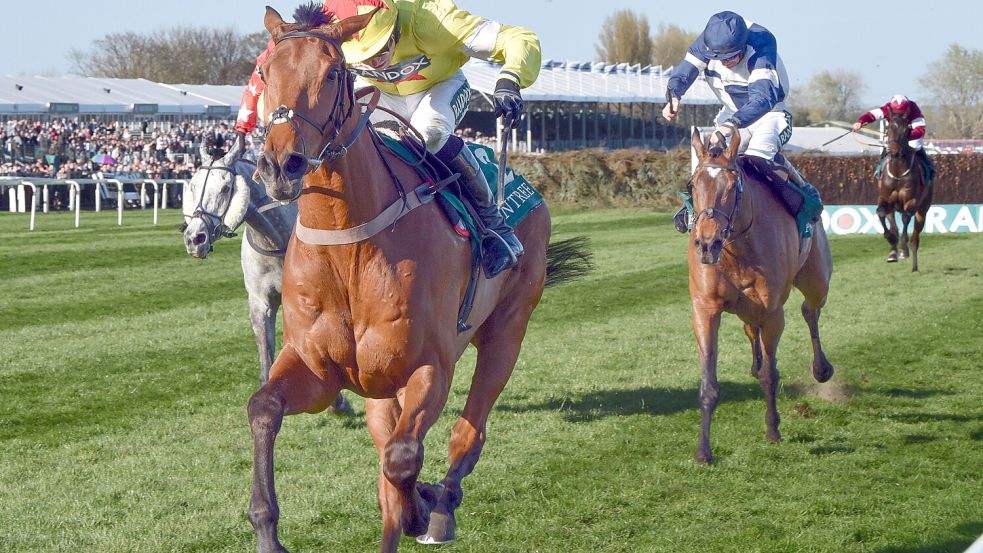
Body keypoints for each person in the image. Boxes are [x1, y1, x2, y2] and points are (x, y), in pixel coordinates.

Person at [235, 0, 541, 278]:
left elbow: (518, 38)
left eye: (382, 48)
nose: (377, 59)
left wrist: (510, 79)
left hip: (439, 87)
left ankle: (493, 227)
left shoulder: (433, 21)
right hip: (380, 93)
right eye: (366, 54)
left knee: (429, 133)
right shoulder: (331, 17)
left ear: (394, 26)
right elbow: (279, 60)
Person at [662, 11, 823, 237]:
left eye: (731, 57)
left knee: (758, 156)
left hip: (770, 114)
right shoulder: (709, 41)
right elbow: (684, 72)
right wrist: (674, 96)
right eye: (719, 58)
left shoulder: (761, 42)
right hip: (732, 113)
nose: (725, 63)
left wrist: (730, 125)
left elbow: (762, 99)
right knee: (709, 156)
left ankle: (805, 199)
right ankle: (694, 208)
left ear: (743, 45)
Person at [853, 94, 936, 184]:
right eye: (896, 112)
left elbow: (920, 129)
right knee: (888, 147)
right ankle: (879, 170)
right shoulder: (887, 108)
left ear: (907, 109)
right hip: (895, 134)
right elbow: (872, 115)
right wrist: (860, 122)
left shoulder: (913, 109)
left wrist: (905, 136)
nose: (898, 114)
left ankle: (928, 167)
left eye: (901, 112)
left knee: (915, 146)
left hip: (910, 134)